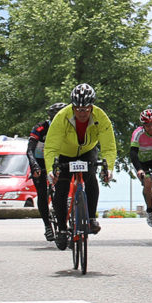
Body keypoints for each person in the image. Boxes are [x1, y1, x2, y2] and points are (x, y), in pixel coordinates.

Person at [44, 83, 117, 250]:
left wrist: (109, 168)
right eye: (78, 109)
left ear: (92, 107)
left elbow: (109, 146)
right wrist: (51, 169)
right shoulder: (62, 116)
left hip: (88, 150)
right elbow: (51, 146)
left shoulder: (101, 117)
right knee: (61, 188)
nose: (82, 113)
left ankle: (91, 218)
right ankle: (62, 229)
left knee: (91, 178)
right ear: (73, 107)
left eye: (86, 109)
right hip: (64, 153)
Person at [27, 102, 67, 242]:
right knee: (42, 193)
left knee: (62, 190)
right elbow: (30, 149)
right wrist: (34, 165)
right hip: (40, 161)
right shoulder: (40, 128)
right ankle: (47, 225)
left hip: (57, 160)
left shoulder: (67, 127)